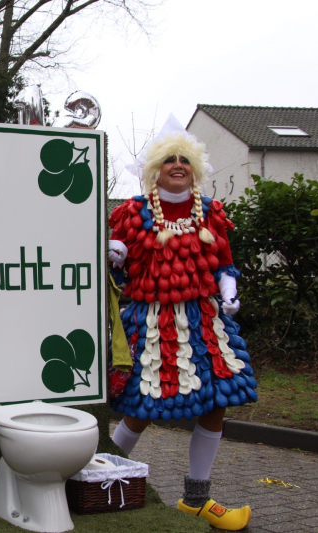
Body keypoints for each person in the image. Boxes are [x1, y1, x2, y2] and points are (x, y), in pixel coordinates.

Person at [108, 115, 255, 531]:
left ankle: (197, 497)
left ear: (195, 167)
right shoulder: (133, 213)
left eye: (184, 160)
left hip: (204, 323)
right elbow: (116, 271)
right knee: (142, 409)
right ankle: (102, 480)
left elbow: (225, 265)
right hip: (152, 324)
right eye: (169, 159)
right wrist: (114, 257)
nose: (178, 165)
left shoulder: (210, 214)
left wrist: (228, 293)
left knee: (215, 405)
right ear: (156, 168)